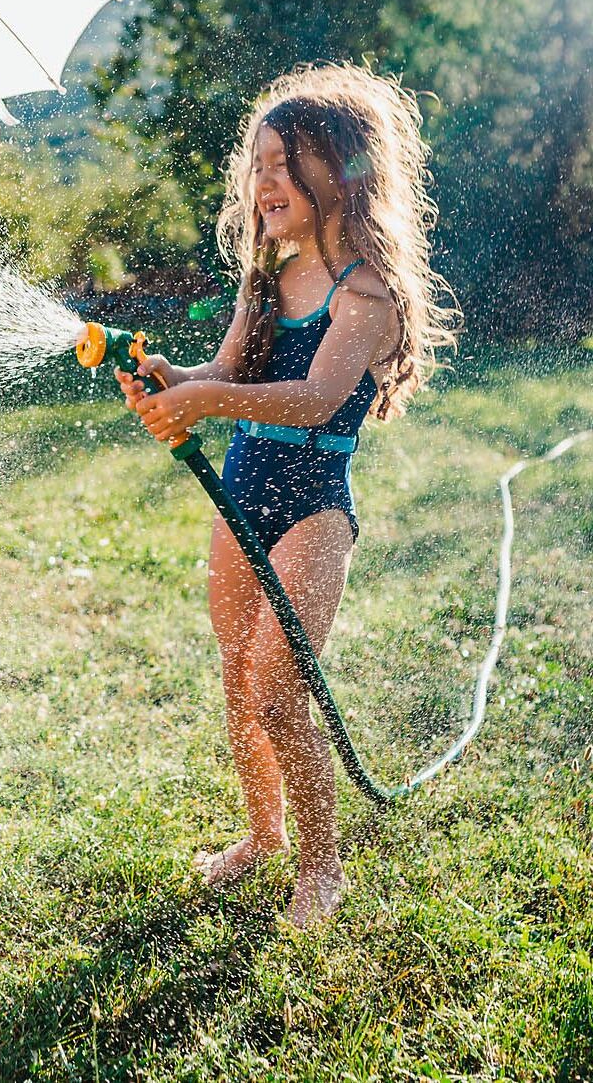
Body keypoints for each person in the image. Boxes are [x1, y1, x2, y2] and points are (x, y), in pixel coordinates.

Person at [117, 64, 459, 926]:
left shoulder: (367, 292)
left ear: (339, 171)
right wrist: (173, 376)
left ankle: (322, 867)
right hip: (243, 495)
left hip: (312, 504)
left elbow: (311, 400)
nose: (262, 182)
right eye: (257, 165)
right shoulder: (266, 276)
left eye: (282, 163)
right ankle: (262, 836)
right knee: (238, 675)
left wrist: (205, 401)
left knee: (279, 690)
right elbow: (225, 372)